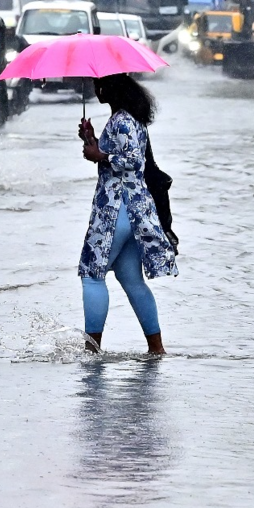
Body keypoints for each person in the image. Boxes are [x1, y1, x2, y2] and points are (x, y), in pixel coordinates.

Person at [78, 74, 178, 355]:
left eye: (99, 84)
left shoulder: (122, 120)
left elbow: (133, 160)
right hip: (136, 209)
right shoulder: (130, 120)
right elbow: (122, 153)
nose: (96, 89)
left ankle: (91, 350)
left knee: (91, 274)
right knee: (131, 278)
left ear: (108, 89)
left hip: (115, 209)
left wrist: (101, 155)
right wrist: (93, 140)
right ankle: (156, 349)